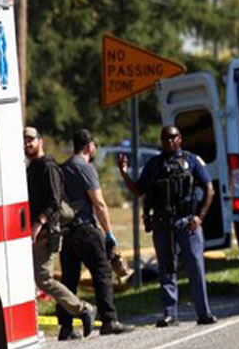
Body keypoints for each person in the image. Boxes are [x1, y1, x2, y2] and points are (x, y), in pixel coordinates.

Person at [118, 125, 217, 327]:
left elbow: (210, 189)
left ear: (180, 138)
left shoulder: (192, 161)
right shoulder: (154, 164)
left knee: (196, 268)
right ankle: (170, 314)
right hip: (164, 224)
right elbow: (138, 190)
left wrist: (199, 217)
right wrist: (124, 173)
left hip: (188, 223)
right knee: (167, 270)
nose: (169, 141)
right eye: (165, 139)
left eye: (173, 137)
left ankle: (203, 312)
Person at [58, 129, 134, 338]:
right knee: (102, 274)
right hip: (85, 230)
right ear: (89, 146)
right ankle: (109, 320)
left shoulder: (62, 168)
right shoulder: (86, 168)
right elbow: (99, 203)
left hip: (66, 232)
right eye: (94, 146)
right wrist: (109, 232)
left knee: (69, 280)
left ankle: (66, 327)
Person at [24, 127, 97, 338]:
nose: (27, 144)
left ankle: (84, 309)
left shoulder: (49, 167)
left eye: (31, 140)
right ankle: (65, 327)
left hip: (46, 231)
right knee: (33, 279)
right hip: (32, 232)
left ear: (41, 141)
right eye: (24, 140)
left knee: (44, 279)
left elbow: (55, 201)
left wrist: (39, 223)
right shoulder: (31, 168)